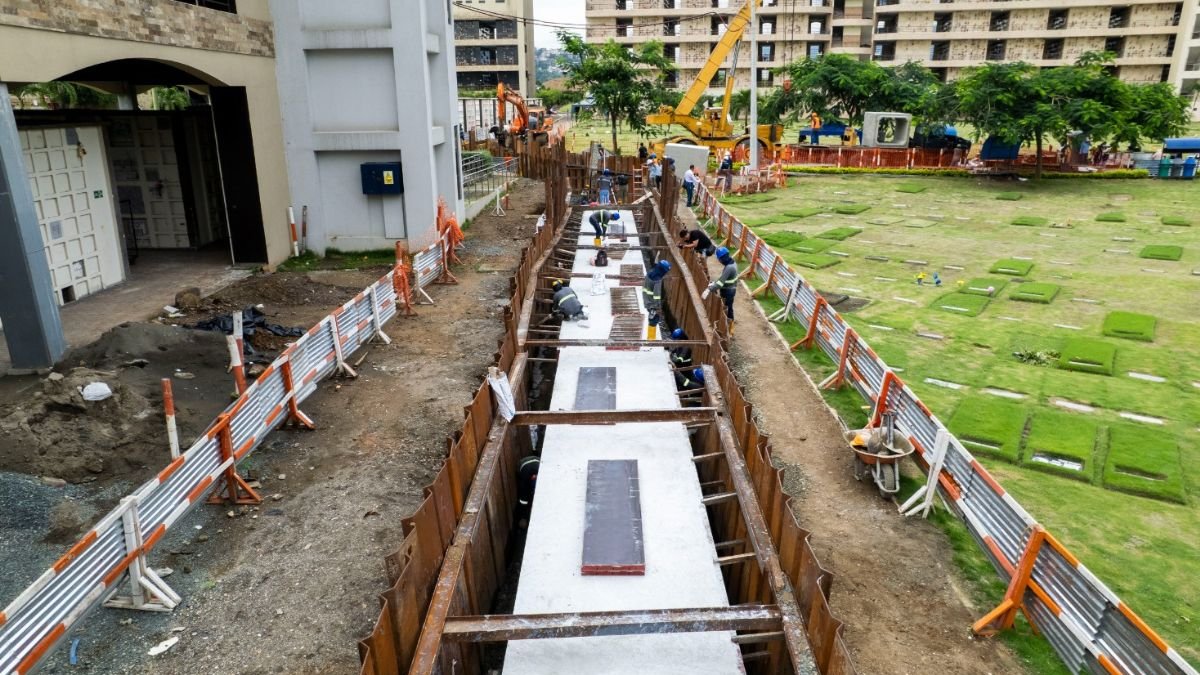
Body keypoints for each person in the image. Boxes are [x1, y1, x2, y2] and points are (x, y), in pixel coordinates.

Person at [702, 247, 738, 335]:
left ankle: (730, 329)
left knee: (727, 309)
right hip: (730, 289)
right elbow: (723, 279)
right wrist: (714, 282)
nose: (719, 261)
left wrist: (709, 289)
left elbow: (720, 284)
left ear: (722, 258)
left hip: (728, 291)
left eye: (719, 259)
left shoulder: (729, 268)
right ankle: (729, 326)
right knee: (728, 308)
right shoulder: (732, 262)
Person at [642, 259, 671, 339]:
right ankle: (651, 339)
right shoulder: (657, 280)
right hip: (653, 304)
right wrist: (658, 308)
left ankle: (651, 338)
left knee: (652, 318)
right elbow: (656, 295)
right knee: (654, 320)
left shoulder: (650, 273)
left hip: (647, 300)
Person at [516, 453, 540, 527]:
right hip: (524, 463)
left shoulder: (541, 472)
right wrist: (523, 517)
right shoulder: (524, 480)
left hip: (536, 460)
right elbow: (523, 500)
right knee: (525, 492)